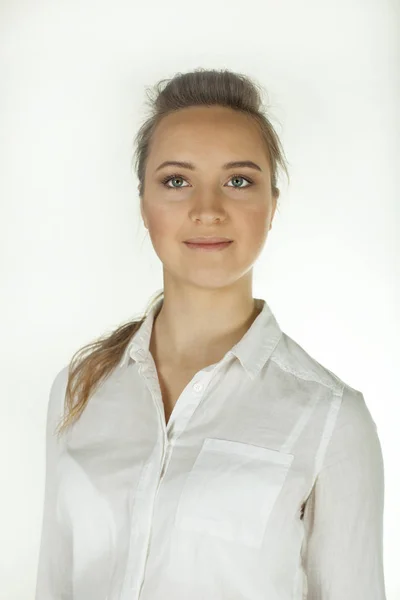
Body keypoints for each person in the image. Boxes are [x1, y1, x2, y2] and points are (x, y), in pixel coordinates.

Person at [34, 68, 387, 600]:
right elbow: (54, 584)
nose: (207, 210)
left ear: (272, 205)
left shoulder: (330, 418)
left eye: (239, 180)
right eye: (176, 180)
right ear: (143, 204)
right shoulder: (79, 389)